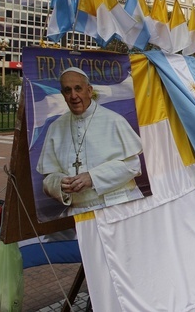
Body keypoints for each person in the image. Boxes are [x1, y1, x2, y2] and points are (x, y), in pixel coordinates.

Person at [37, 67, 144, 216]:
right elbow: (48, 177)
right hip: (78, 211)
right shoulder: (55, 128)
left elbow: (133, 166)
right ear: (63, 95)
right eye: (68, 90)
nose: (73, 95)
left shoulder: (113, 120)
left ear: (89, 90)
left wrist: (93, 178)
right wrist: (59, 183)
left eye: (78, 89)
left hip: (119, 206)